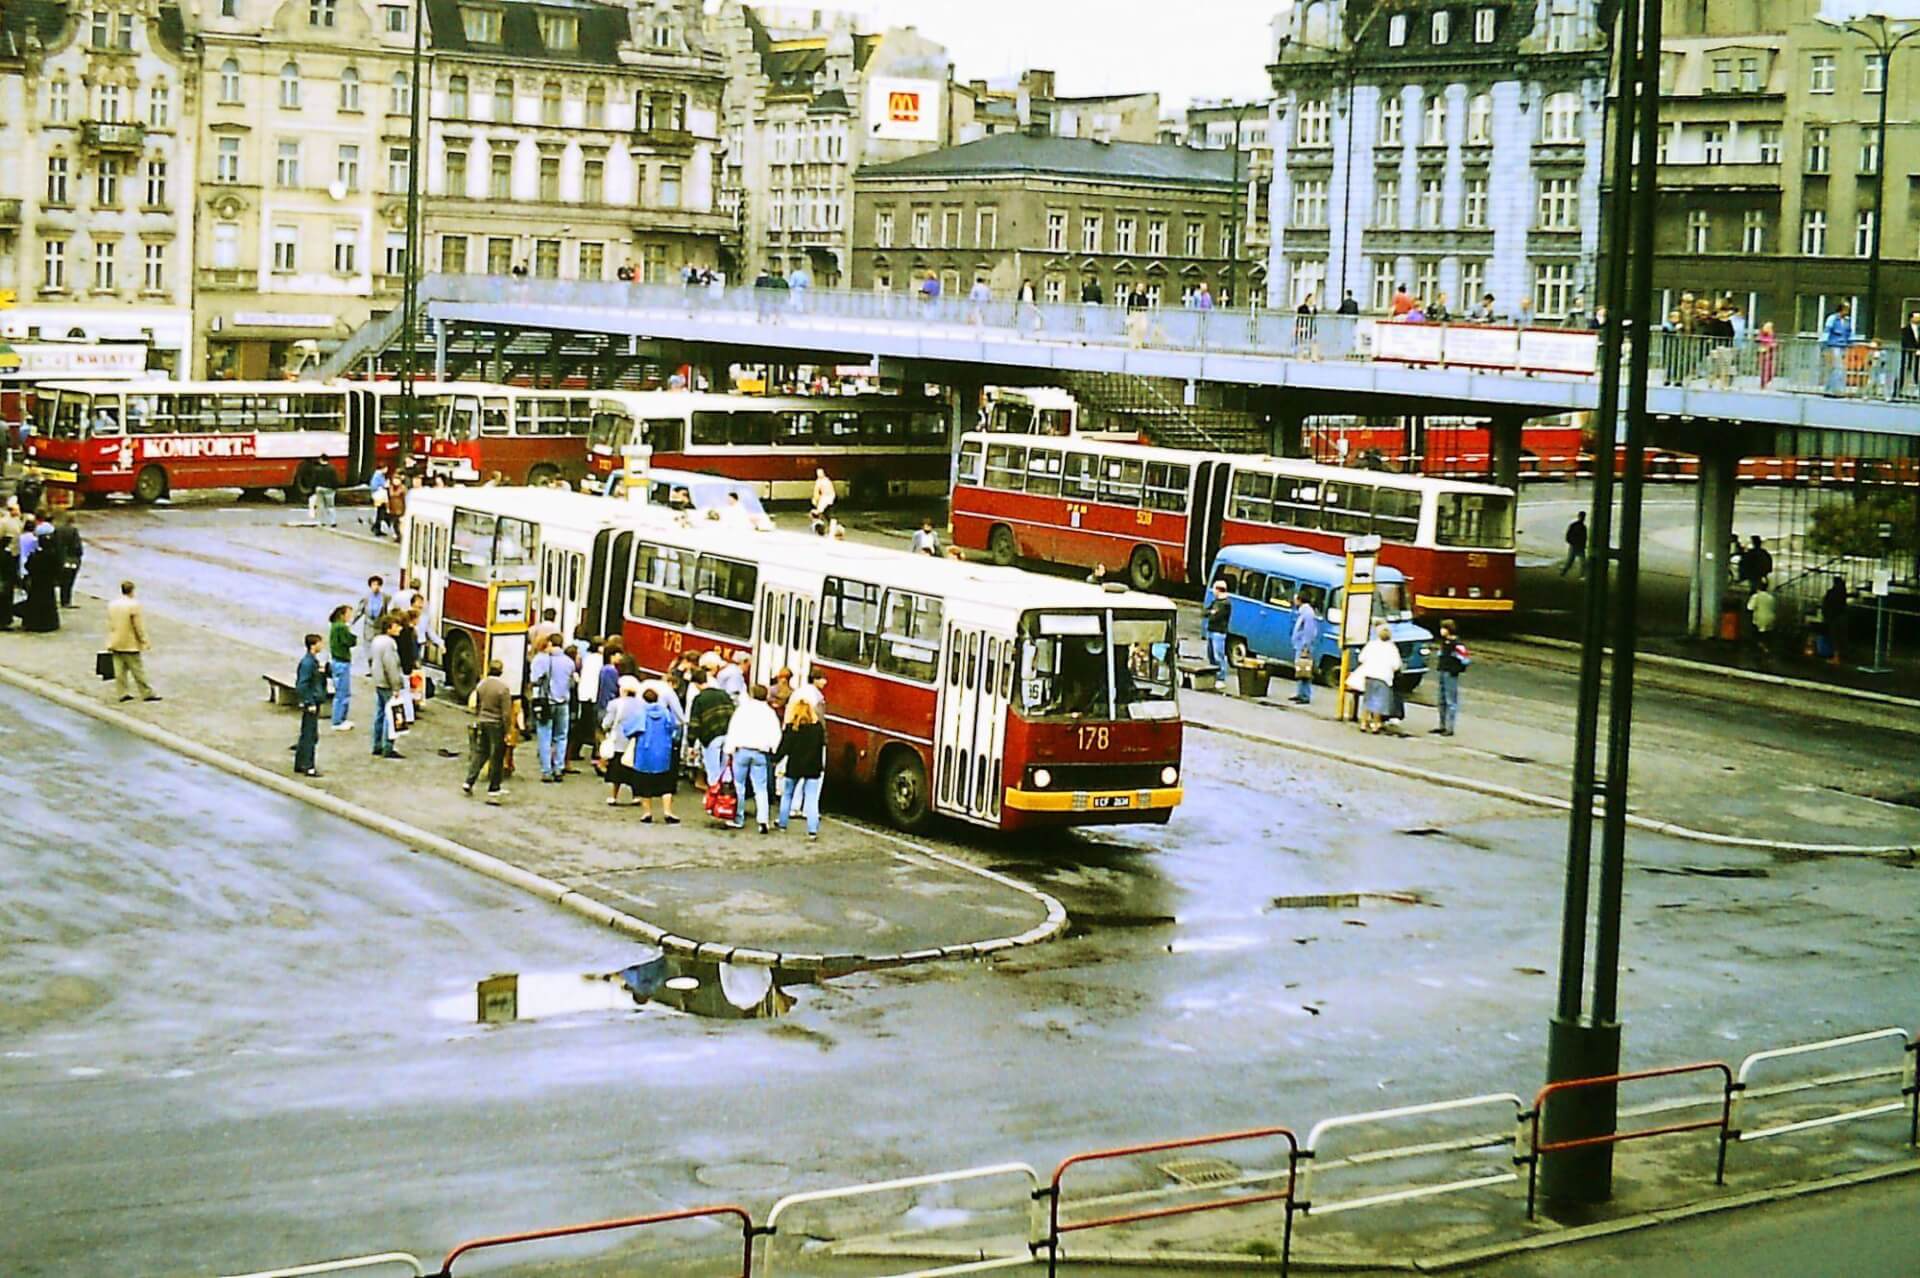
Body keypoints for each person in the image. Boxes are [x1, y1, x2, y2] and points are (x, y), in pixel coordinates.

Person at [724, 683, 783, 833]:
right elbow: (776, 735)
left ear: (751, 694)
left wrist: (729, 749)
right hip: (760, 753)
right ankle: (763, 820)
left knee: (739, 785)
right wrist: (774, 750)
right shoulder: (770, 713)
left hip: (741, 751)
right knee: (761, 787)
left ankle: (738, 817)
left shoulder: (742, 710)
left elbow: (733, 729)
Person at [775, 696, 828, 839]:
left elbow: (784, 748)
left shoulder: (792, 728)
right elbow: (821, 746)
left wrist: (774, 760)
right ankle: (812, 830)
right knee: (811, 799)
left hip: (795, 767)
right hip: (813, 767)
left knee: (787, 795)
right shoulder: (818, 729)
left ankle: (782, 823)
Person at [529, 632, 576, 784]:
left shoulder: (540, 659)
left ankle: (546, 770)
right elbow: (572, 683)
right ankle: (559, 768)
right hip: (563, 702)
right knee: (561, 736)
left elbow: (534, 680)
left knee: (544, 735)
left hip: (546, 703)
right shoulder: (569, 662)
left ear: (549, 643)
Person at [464, 659, 512, 804]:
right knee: (496, 756)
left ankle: (469, 781)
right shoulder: (503, 689)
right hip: (496, 724)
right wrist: (508, 730)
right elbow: (506, 713)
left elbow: (477, 704)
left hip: (483, 721)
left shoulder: (482, 685)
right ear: (501, 671)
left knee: (481, 752)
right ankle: (494, 789)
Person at [105, 579, 158, 700]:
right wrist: (144, 640)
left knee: (119, 670)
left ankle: (122, 693)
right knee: (137, 669)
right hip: (129, 642)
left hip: (115, 640)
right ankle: (147, 693)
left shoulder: (112, 604)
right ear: (132, 591)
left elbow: (110, 623)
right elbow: (138, 626)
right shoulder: (134, 605)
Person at [1353, 622, 1403, 735]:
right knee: (1379, 702)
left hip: (1370, 674)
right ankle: (1376, 725)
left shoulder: (1371, 644)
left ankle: (1363, 723)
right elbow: (1396, 665)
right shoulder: (1392, 648)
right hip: (1384, 677)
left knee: (1367, 700)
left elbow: (1361, 658)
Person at [688, 666, 733, 789]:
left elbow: (695, 723)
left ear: (695, 684)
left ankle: (714, 797)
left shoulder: (699, 699)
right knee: (724, 768)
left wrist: (691, 743)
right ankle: (725, 796)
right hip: (728, 734)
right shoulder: (723, 694)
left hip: (711, 736)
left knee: (713, 771)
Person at [369, 614, 406, 759]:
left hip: (378, 681)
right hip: (387, 683)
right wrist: (396, 686)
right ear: (389, 628)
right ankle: (388, 747)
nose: (400, 629)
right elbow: (391, 666)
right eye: (397, 626)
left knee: (379, 714)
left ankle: (376, 744)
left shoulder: (376, 641)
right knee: (391, 716)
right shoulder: (390, 644)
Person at [293, 633, 326, 777]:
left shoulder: (311, 661)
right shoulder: (308, 663)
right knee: (310, 735)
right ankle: (308, 765)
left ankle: (300, 763)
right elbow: (302, 684)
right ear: (313, 645)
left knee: (307, 733)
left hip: (312, 700)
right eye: (320, 643)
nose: (322, 645)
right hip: (311, 702)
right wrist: (309, 702)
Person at [1429, 619, 1467, 737]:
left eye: (1443, 628)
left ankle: (1449, 728)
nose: (1441, 631)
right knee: (1441, 700)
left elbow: (1465, 659)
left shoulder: (1457, 645)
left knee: (1450, 700)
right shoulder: (1444, 643)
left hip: (1450, 673)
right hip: (1442, 671)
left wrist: (1456, 669)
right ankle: (1442, 725)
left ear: (1449, 630)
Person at [20, 523, 60, 632]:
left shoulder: (37, 554)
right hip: (48, 584)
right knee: (48, 602)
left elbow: (29, 566)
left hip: (37, 584)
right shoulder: (53, 553)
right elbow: (57, 567)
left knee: (36, 603)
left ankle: (35, 623)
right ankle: (49, 623)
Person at [325, 603, 356, 730]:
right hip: (342, 661)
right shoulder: (342, 627)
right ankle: (338, 720)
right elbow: (350, 641)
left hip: (335, 660)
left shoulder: (334, 626)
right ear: (342, 615)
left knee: (341, 691)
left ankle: (340, 719)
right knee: (343, 693)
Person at [352, 576, 390, 672]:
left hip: (380, 627)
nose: (375, 587)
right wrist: (352, 622)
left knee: (379, 648)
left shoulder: (385, 598)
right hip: (369, 627)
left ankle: (378, 668)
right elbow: (359, 612)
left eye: (377, 584)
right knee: (369, 649)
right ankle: (371, 668)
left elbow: (388, 612)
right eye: (373, 584)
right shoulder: (366, 598)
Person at [1289, 595, 1320, 704]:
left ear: (1300, 600)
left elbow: (1309, 631)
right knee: (1300, 670)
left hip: (1303, 646)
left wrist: (1306, 646)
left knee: (1305, 670)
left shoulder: (1308, 613)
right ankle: (1300, 693)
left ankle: (1305, 695)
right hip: (1300, 645)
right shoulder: (1304, 612)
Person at [47, 512, 82, 608]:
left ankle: (60, 599)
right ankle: (66, 601)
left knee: (61, 580)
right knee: (69, 581)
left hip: (59, 559)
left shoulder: (57, 530)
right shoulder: (73, 531)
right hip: (71, 559)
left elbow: (53, 544)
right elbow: (77, 547)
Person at [1202, 580, 1233, 689]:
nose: (1213, 591)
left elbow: (1216, 616)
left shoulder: (1225, 604)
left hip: (1219, 633)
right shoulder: (1215, 602)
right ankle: (1213, 675)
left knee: (1218, 655)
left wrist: (1212, 613)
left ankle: (1221, 678)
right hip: (1211, 630)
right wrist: (1211, 613)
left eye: (1214, 589)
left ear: (1219, 590)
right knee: (1210, 655)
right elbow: (1205, 612)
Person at [1822, 302, 1854, 395]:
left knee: (1838, 368)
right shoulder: (1832, 319)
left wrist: (1851, 342)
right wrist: (1824, 345)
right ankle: (1835, 390)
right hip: (1833, 346)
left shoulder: (1848, 320)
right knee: (1837, 368)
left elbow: (1849, 333)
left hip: (1843, 346)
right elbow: (1827, 331)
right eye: (1846, 309)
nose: (1848, 311)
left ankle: (1829, 389)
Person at [1821, 576, 1849, 664]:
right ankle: (1840, 656)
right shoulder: (1843, 593)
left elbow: (1826, 604)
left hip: (1833, 617)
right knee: (1840, 638)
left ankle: (1836, 658)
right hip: (1841, 616)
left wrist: (1826, 615)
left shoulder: (1831, 593)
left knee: (1835, 638)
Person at [1747, 582, 1777, 664]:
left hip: (1759, 619)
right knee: (1767, 636)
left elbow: (1749, 607)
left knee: (1757, 637)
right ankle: (1766, 649)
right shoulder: (1771, 597)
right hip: (1771, 619)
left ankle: (1764, 650)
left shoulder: (1756, 596)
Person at [1560, 511, 1588, 577]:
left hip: (1577, 546)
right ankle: (1564, 572)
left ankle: (1564, 573)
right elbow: (1584, 537)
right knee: (1572, 561)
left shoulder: (1576, 525)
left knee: (1578, 562)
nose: (1583, 518)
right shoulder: (1581, 526)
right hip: (1575, 546)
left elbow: (1584, 537)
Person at [368, 467, 392, 536]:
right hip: (379, 496)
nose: (387, 470)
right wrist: (383, 485)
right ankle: (376, 528)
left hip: (380, 496)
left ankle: (377, 527)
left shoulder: (380, 475)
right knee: (380, 512)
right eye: (386, 468)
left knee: (380, 512)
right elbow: (374, 486)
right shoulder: (378, 475)